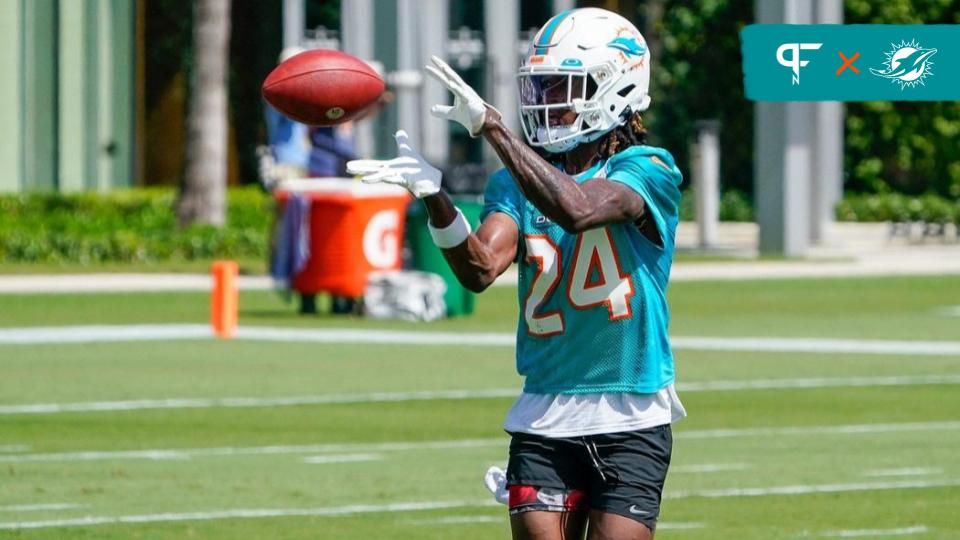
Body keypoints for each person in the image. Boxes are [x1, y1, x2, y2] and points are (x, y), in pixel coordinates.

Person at [348, 8, 684, 540]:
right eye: (542, 86)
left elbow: (578, 209)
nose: (548, 100)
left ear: (617, 88)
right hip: (544, 409)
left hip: (631, 410)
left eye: (563, 86)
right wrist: (436, 199)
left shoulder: (650, 168)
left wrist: (493, 128)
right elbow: (480, 268)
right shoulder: (516, 183)